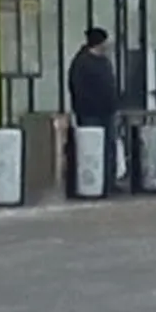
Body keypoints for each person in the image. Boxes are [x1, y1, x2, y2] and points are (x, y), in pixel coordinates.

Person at [67, 26, 121, 189]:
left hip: (107, 111)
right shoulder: (82, 62)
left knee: (109, 147)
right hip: (90, 113)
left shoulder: (104, 61)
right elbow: (77, 88)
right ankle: (93, 181)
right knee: (91, 148)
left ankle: (109, 181)